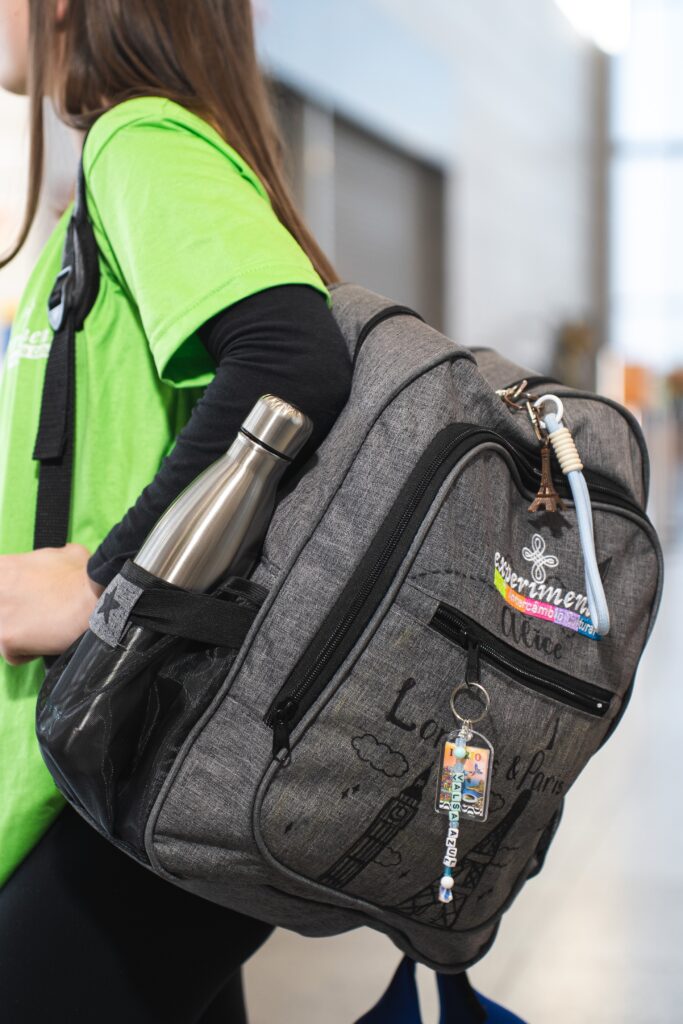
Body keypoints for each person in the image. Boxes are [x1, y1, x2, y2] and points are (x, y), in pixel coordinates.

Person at [0, 1, 352, 1020]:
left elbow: (289, 357)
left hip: (118, 767)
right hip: (124, 768)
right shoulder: (130, 165)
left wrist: (101, 582)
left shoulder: (139, 138)